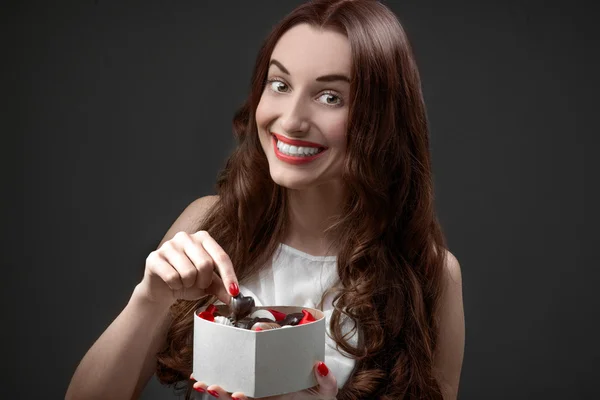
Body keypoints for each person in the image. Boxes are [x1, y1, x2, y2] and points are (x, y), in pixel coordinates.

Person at [66, 0, 465, 399]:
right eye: (281, 85)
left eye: (330, 97)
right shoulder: (207, 223)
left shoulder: (430, 273)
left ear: (381, 117)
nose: (290, 121)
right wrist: (149, 300)